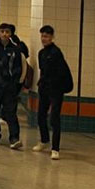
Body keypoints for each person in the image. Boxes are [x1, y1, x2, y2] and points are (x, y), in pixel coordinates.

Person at [34, 25, 74, 160]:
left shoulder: (56, 53)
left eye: (46, 36)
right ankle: (44, 140)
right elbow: (43, 71)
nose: (44, 39)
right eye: (42, 36)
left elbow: (59, 72)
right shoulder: (41, 53)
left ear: (52, 37)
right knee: (40, 115)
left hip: (56, 90)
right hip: (45, 88)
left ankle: (55, 148)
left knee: (54, 118)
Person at [0, 22, 27, 149]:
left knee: (11, 112)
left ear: (11, 34)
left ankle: (14, 138)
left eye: (7, 32)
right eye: (2, 31)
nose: (5, 34)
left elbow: (19, 68)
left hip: (9, 86)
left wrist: (15, 83)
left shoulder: (16, 49)